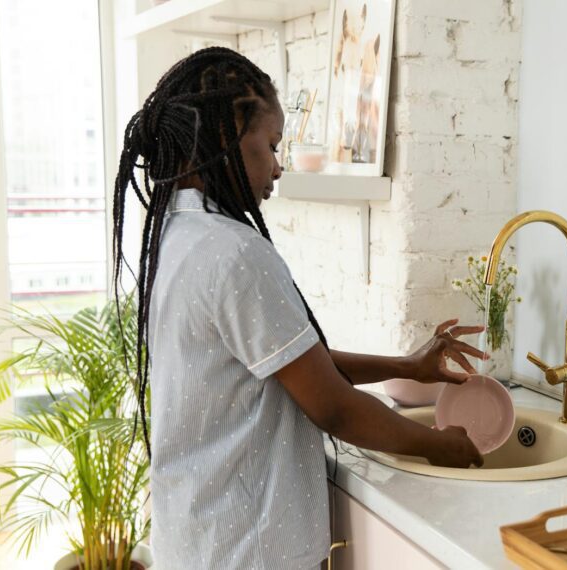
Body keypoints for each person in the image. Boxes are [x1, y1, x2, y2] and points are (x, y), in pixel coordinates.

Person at [112, 47, 485, 570]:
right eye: (271, 145)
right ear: (226, 138)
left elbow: (290, 363)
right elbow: (330, 405)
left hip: (198, 538)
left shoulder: (176, 235)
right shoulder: (234, 253)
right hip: (247, 549)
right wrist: (436, 445)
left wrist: (405, 367)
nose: (279, 166)